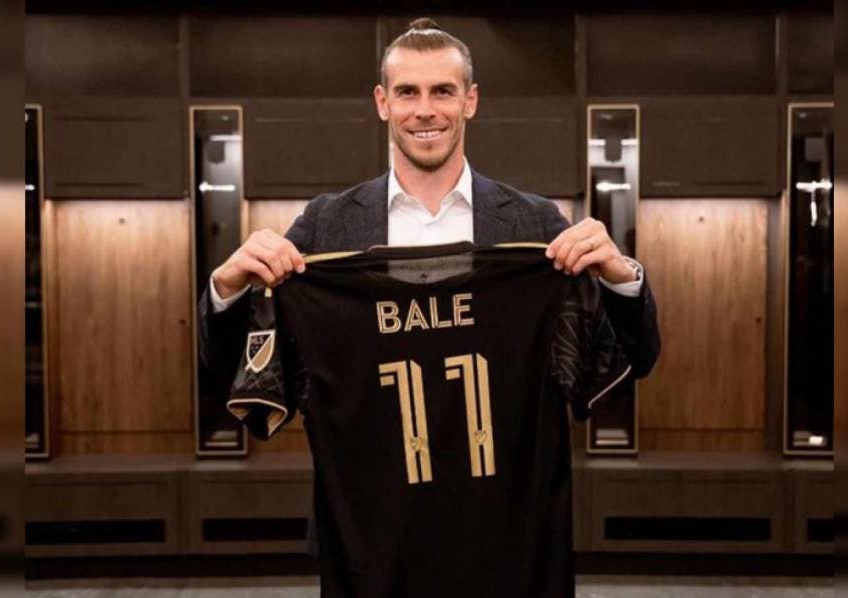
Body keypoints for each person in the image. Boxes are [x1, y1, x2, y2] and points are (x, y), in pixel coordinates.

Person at [197, 17, 661, 591]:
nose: (425, 110)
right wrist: (226, 289)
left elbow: (633, 357)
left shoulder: (536, 228)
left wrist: (622, 278)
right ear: (382, 103)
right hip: (370, 543)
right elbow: (239, 374)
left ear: (470, 101)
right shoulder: (326, 228)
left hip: (509, 542)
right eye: (407, 92)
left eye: (442, 91)